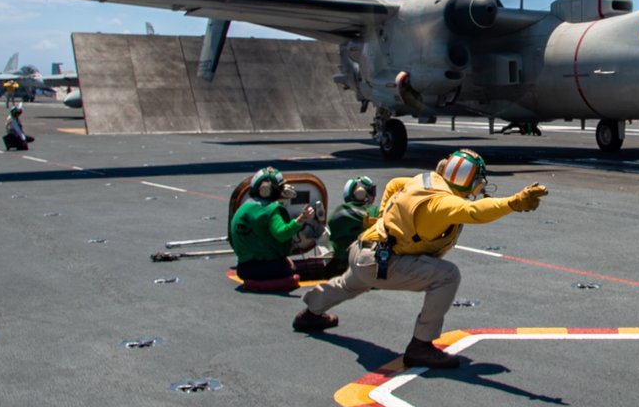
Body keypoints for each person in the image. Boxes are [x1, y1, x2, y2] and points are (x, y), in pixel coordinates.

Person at [292, 149, 548, 369]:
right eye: (478, 180)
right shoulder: (443, 203)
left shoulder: (425, 179)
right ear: (470, 180)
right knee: (447, 276)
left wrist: (384, 216)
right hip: (383, 262)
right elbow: (473, 211)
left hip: (364, 251)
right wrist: (513, 203)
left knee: (348, 285)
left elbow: (393, 184)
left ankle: (310, 313)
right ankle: (421, 345)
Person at [229, 167, 317, 287]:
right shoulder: (270, 210)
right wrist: (300, 220)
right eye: (280, 188)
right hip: (266, 268)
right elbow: (282, 234)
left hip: (244, 268)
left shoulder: (245, 206)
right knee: (291, 268)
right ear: (267, 190)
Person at [326, 176, 380, 275]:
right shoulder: (346, 211)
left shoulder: (341, 211)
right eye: (371, 192)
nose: (374, 196)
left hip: (346, 264)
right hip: (350, 263)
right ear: (361, 193)